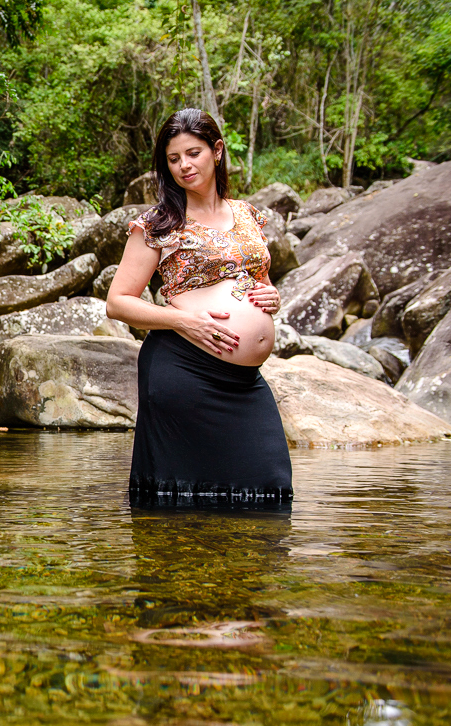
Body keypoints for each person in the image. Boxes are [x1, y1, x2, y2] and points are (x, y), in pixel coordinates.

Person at [105, 108, 292, 507]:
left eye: (193, 153)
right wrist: (182, 320)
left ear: (217, 151)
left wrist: (272, 297)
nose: (184, 165)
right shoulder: (158, 224)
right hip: (184, 368)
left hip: (243, 383)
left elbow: (260, 279)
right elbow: (117, 302)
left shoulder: (247, 214)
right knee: (182, 497)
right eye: (174, 159)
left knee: (271, 488)